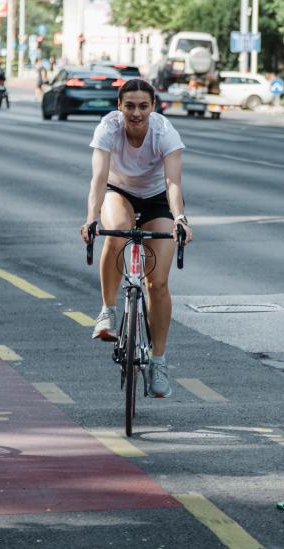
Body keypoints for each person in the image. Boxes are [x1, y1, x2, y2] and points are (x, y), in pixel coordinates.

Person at [79, 79, 194, 399]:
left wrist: (180, 219)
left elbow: (173, 183)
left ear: (153, 107)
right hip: (119, 192)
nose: (136, 113)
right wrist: (90, 218)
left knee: (157, 282)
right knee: (117, 231)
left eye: (143, 106)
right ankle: (108, 310)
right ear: (119, 106)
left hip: (158, 198)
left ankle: (158, 361)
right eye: (129, 106)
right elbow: (98, 179)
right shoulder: (108, 129)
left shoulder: (164, 132)